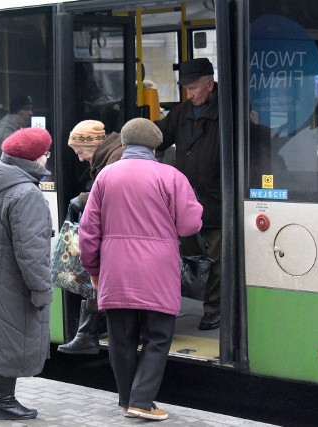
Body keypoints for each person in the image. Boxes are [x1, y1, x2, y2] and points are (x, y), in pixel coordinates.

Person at [79, 118, 203, 421]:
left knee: (120, 339)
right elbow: (189, 224)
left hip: (116, 271)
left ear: (123, 143)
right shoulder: (171, 176)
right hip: (158, 272)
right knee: (157, 337)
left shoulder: (106, 176)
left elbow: (88, 231)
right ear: (156, 146)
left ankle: (128, 400)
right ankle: (142, 402)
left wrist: (93, 269)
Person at [0, 127, 54, 421]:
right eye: (45, 153)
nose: (47, 157)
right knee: (13, 333)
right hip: (14, 280)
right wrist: (41, 288)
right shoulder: (27, 194)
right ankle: (4, 400)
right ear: (32, 159)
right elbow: (32, 251)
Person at [156, 57, 222, 330]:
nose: (190, 94)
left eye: (194, 88)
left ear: (209, 83)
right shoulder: (182, 113)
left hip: (217, 200)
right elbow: (160, 136)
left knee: (216, 259)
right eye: (186, 88)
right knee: (193, 258)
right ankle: (195, 302)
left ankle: (215, 309)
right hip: (187, 199)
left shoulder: (227, 109)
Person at [57, 120, 124, 355]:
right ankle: (86, 335)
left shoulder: (115, 158)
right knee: (96, 279)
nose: (80, 158)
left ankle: (86, 336)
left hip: (119, 234)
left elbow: (107, 193)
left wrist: (83, 199)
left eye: (80, 151)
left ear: (93, 144)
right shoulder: (108, 155)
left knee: (98, 278)